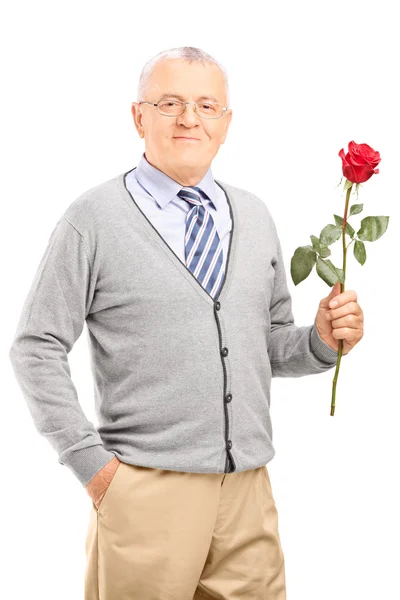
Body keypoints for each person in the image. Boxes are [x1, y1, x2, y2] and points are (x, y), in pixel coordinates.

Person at [8, 46, 364, 599]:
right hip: (144, 492)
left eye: (206, 105)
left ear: (226, 122)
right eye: (169, 102)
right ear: (138, 116)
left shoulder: (254, 214)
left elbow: (265, 343)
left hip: (248, 493)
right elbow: (36, 345)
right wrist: (94, 470)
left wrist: (319, 340)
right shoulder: (93, 219)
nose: (188, 118)